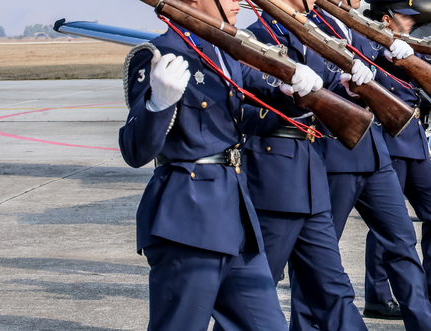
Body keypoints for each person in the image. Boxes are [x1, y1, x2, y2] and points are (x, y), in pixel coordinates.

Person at [118, 0, 323, 329]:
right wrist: (157, 105)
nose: (235, 3)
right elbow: (134, 150)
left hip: (236, 216)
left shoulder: (225, 51)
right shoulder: (158, 53)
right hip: (189, 220)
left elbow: (247, 115)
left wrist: (291, 92)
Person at [286, 0, 431, 330]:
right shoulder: (305, 25)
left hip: (374, 153)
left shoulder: (355, 26)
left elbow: (383, 69)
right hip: (334, 154)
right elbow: (301, 85)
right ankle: (306, 326)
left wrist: (407, 56)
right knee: (319, 255)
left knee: (402, 241)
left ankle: (423, 324)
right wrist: (339, 83)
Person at [225, 0, 376, 330]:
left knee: (334, 289)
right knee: (257, 290)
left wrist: (351, 90)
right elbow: (239, 111)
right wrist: (288, 98)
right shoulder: (255, 38)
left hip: (312, 175)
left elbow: (326, 89)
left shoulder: (310, 34)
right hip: (276, 178)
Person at [363, 0, 431, 318]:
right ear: (386, 19)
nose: (411, 23)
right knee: (388, 222)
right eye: (405, 18)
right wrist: (393, 53)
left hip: (413, 141)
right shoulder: (372, 45)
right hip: (388, 138)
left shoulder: (404, 46)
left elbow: (425, 65)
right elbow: (382, 63)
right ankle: (378, 295)